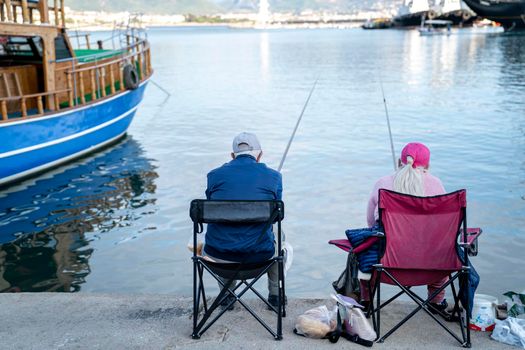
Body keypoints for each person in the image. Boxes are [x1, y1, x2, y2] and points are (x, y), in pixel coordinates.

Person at [362, 142, 453, 316]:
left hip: (386, 266)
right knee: (441, 247)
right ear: (427, 166)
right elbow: (444, 229)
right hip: (433, 267)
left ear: (399, 162)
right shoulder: (436, 184)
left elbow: (370, 223)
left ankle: (366, 301)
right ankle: (436, 301)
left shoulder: (382, 183)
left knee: (364, 249)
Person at [203, 132, 284, 309]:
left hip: (218, 258)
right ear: (260, 155)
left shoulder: (213, 176)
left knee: (222, 230)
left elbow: (212, 205)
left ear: (232, 156)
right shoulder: (274, 177)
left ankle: (226, 296)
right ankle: (276, 297)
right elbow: (277, 216)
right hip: (259, 257)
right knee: (279, 234)